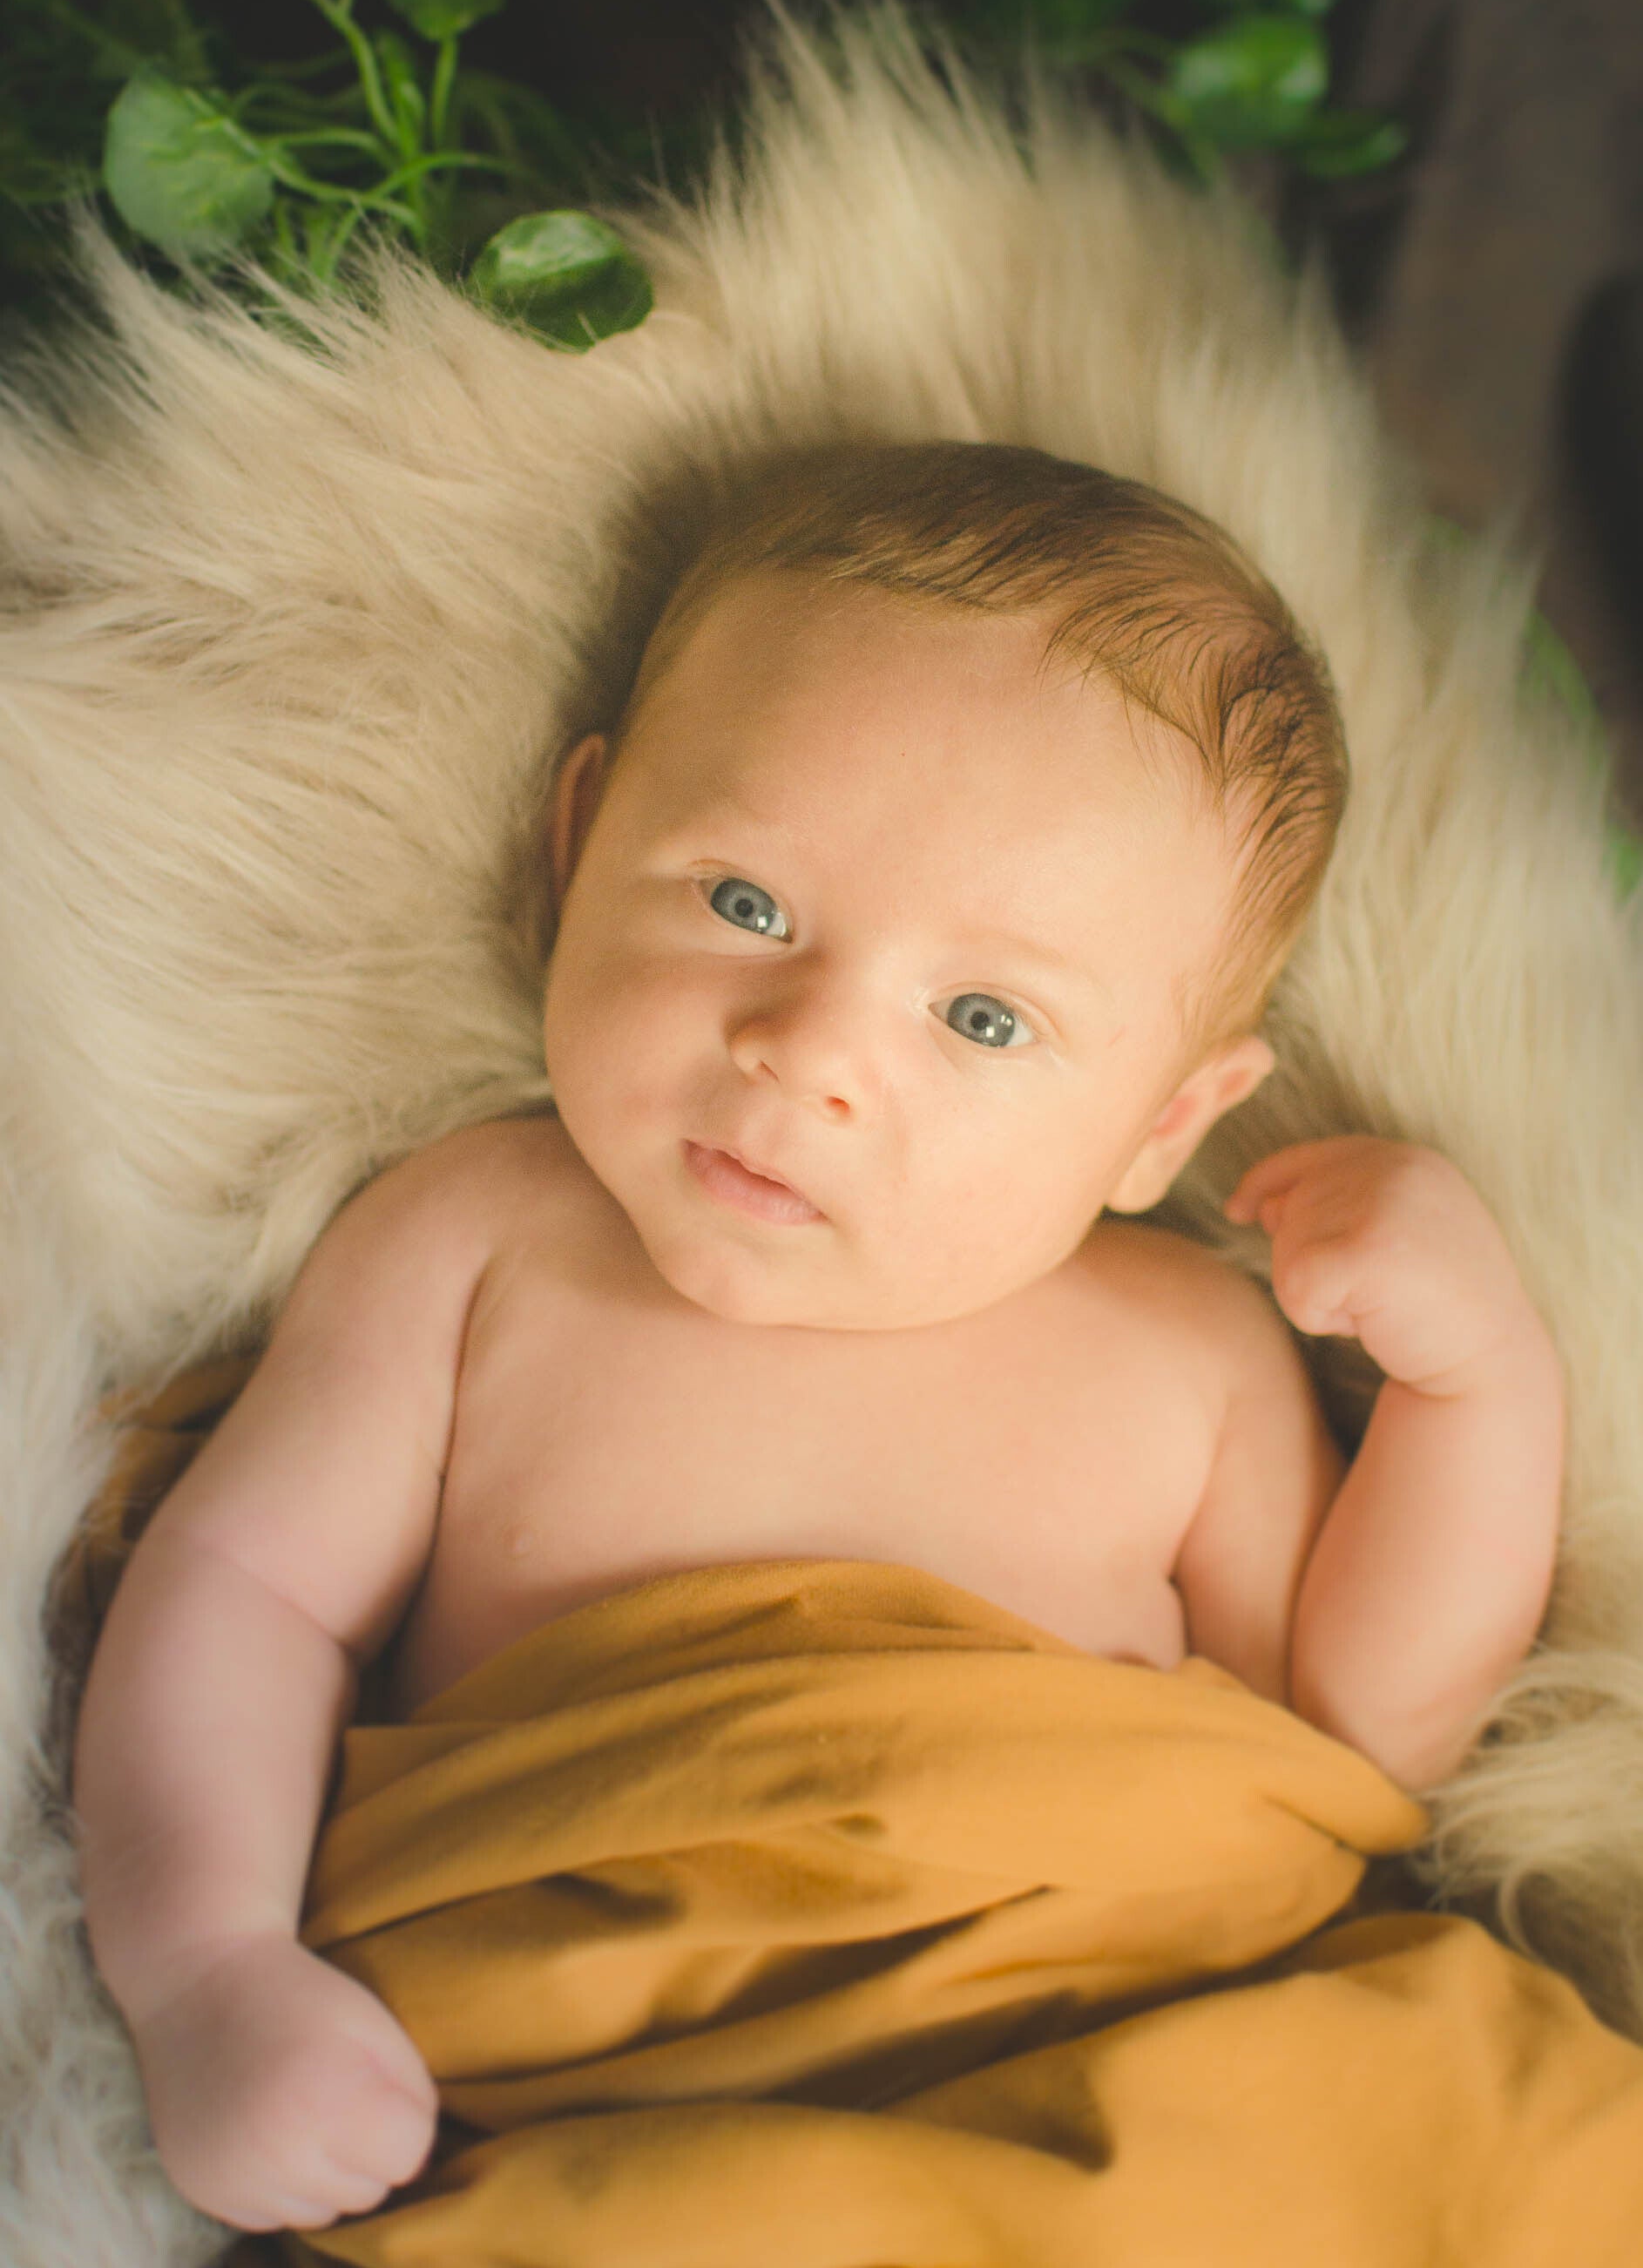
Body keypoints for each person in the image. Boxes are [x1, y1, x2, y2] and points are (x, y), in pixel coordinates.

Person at [69, 440, 1566, 2236]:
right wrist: (210, 1962)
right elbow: (244, 1590)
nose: (810, 1050)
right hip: (644, 2100)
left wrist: (1475, 1385)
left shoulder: (1190, 1345)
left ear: (1164, 1125)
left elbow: (1371, 1724)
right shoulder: (474, 1237)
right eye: (744, 903)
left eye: (983, 1017)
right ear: (578, 843)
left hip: (1162, 2045)